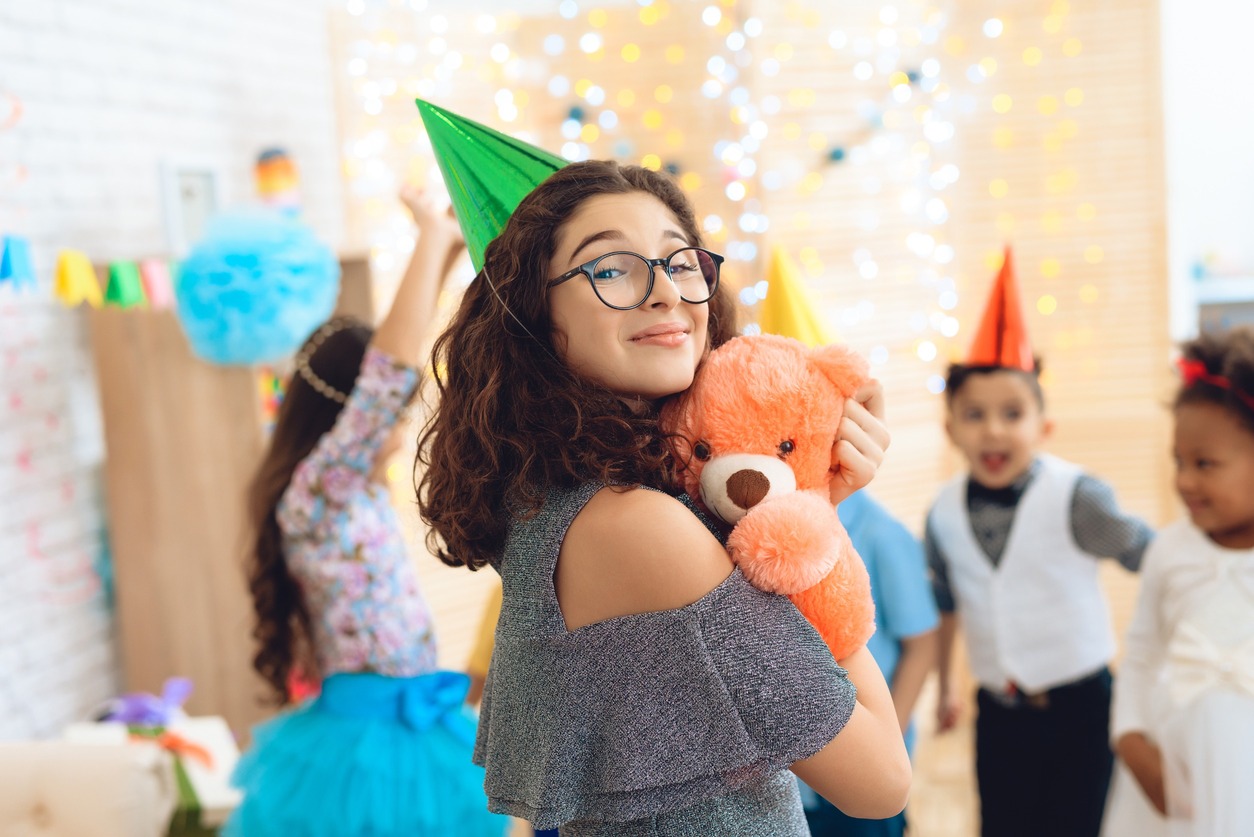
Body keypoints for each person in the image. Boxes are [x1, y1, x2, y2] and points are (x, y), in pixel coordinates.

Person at [414, 102, 911, 835]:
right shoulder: (636, 526)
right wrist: (807, 507)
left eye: (681, 261)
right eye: (611, 267)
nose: (667, 291)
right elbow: (880, 778)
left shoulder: (556, 499)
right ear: (534, 314)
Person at [225, 185, 508, 836]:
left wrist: (445, 249)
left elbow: (390, 375)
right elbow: (388, 378)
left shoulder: (350, 490)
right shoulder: (319, 491)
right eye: (389, 420)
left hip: (417, 720)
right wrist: (429, 245)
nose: (396, 432)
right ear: (343, 419)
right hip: (365, 741)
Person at [926, 248, 1153, 837]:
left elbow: (1149, 556)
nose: (993, 429)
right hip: (999, 714)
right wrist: (949, 686)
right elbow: (947, 602)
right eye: (974, 414)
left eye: (1011, 412)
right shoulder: (943, 512)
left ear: (1043, 425)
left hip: (1082, 707)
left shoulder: (1078, 496)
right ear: (950, 428)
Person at [1104, 327, 1254, 836]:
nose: (1185, 481)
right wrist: (1130, 738)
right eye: (1179, 462)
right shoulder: (1170, 550)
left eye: (1205, 464)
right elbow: (1143, 651)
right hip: (1176, 768)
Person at [801, 490, 940, 837]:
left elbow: (921, 644)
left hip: (859, 769)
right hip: (789, 782)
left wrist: (888, 742)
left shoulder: (881, 532)